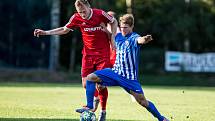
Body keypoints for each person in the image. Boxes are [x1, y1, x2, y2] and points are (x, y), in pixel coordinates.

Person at [34, 0, 118, 121]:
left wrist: (113, 38)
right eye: (80, 12)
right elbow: (64, 29)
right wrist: (46, 32)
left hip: (103, 55)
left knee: (100, 85)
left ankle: (103, 111)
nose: (83, 14)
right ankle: (95, 99)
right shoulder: (76, 17)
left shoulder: (100, 14)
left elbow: (114, 21)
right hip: (88, 56)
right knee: (85, 84)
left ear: (89, 7)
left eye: (84, 11)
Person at [76, 14, 169, 121]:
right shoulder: (118, 36)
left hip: (129, 78)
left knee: (142, 101)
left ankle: (161, 118)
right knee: (90, 77)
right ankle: (90, 105)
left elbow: (140, 40)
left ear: (131, 27)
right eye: (121, 27)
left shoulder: (134, 37)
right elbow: (110, 34)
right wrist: (104, 29)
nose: (123, 30)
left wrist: (145, 39)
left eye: (126, 27)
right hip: (115, 72)